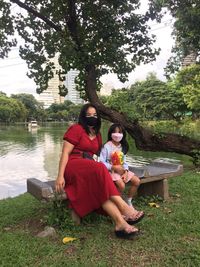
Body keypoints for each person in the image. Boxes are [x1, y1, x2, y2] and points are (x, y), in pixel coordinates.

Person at [55, 103, 144, 239]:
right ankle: (124, 207)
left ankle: (121, 224)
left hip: (90, 168)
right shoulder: (76, 129)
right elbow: (65, 153)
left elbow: (97, 157)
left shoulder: (97, 135)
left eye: (95, 115)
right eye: (89, 115)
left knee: (99, 188)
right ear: (83, 116)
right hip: (73, 166)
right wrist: (60, 176)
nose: (92, 117)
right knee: (100, 167)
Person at [100, 123, 141, 207]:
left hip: (122, 170)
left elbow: (124, 162)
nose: (117, 134)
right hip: (111, 171)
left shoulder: (122, 146)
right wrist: (113, 167)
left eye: (120, 132)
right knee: (121, 185)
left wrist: (126, 171)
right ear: (111, 134)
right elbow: (101, 162)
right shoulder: (106, 146)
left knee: (137, 181)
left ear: (123, 135)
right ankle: (116, 203)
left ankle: (128, 200)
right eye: (115, 132)